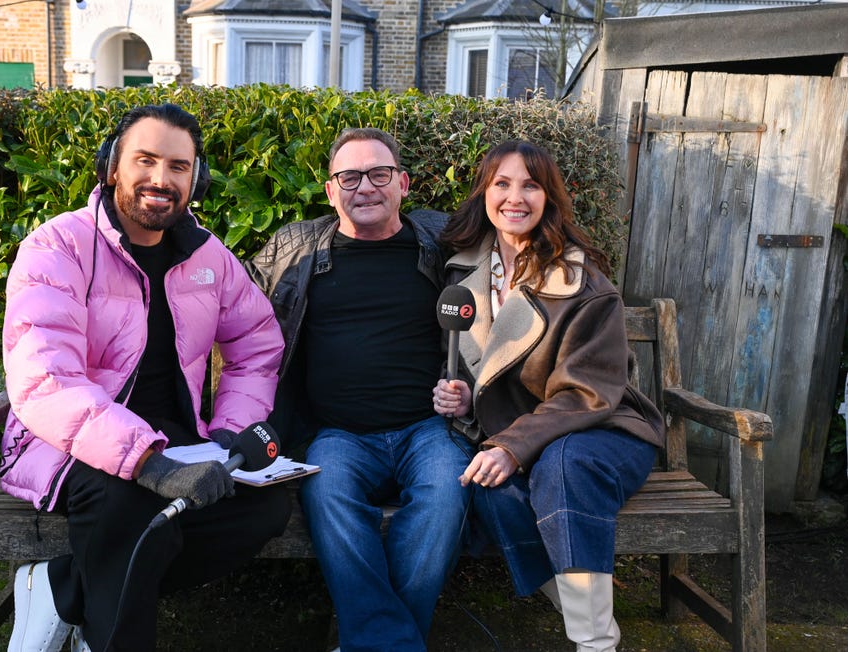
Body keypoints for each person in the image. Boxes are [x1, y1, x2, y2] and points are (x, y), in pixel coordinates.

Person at [0, 103, 290, 652]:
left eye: (179, 167)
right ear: (112, 167)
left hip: (176, 442)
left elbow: (256, 345)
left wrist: (229, 432)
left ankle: (65, 588)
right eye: (146, 160)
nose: (162, 179)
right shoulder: (58, 245)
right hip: (66, 444)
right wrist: (146, 463)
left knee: (262, 507)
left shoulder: (210, 257)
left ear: (195, 179)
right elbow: (44, 377)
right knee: (127, 508)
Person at [431, 140, 666, 652]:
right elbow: (490, 375)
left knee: (563, 463)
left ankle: (595, 642)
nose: (515, 198)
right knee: (483, 489)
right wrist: (463, 400)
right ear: (485, 193)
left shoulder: (585, 286)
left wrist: (510, 446)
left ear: (549, 198)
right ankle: (576, 605)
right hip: (529, 440)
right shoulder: (462, 278)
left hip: (605, 432)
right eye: (502, 183)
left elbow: (586, 392)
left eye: (530, 185)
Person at [245, 127, 472, 651]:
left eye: (379, 174)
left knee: (445, 496)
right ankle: (393, 641)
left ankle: (369, 640)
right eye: (349, 176)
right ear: (331, 190)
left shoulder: (445, 245)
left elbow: (499, 307)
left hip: (429, 429)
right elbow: (228, 300)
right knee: (327, 492)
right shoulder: (295, 249)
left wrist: (467, 391)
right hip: (339, 434)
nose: (364, 187)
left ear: (403, 183)